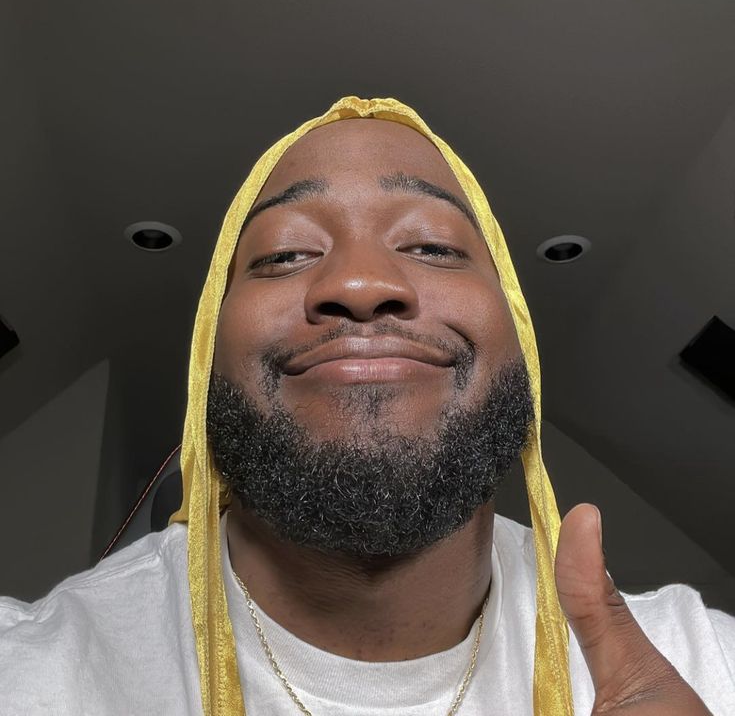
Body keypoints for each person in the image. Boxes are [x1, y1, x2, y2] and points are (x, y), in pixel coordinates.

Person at [1, 97, 733, 716]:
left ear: (518, 331)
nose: (357, 281)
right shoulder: (30, 674)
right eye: (285, 254)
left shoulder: (701, 663)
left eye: (433, 245)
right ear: (206, 349)